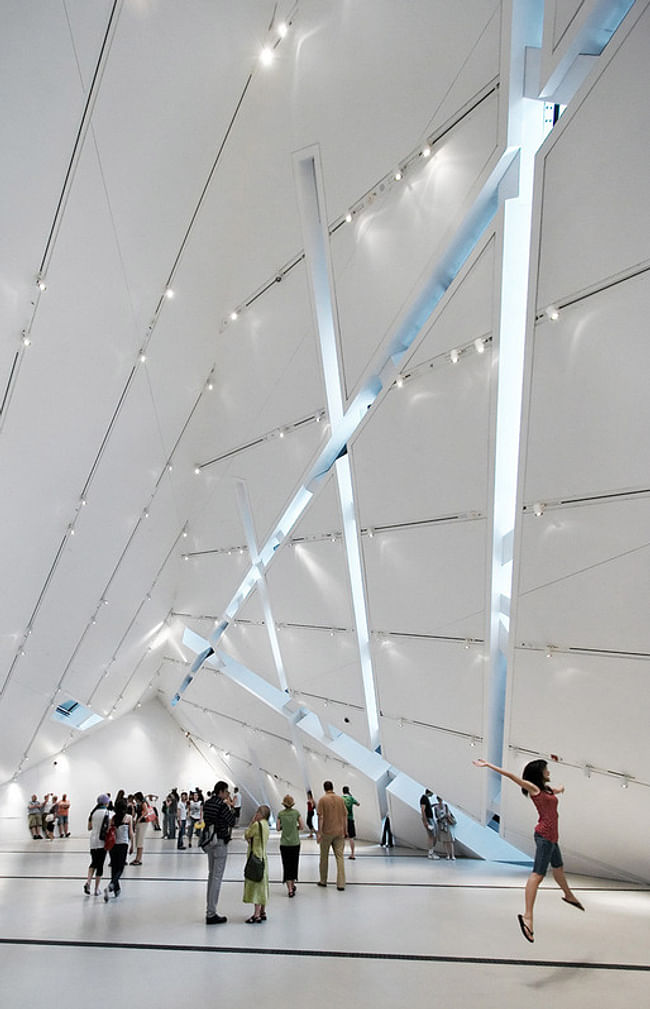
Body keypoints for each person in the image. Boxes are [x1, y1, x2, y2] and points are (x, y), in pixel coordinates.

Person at [473, 757, 585, 943]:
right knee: (537, 875)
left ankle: (568, 895)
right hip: (544, 837)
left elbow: (556, 790)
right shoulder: (535, 789)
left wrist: (562, 787)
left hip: (552, 838)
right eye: (546, 769)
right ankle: (528, 917)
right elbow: (511, 776)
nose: (548, 772)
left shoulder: (547, 790)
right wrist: (488, 765)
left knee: (558, 868)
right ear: (539, 773)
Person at [202, 781, 237, 924]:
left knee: (211, 875)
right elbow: (232, 821)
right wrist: (230, 807)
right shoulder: (222, 805)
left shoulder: (208, 803)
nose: (227, 794)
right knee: (217, 877)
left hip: (210, 841)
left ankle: (209, 909)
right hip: (220, 841)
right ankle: (211, 912)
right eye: (226, 792)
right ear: (221, 791)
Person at [316, 781, 347, 890]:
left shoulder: (322, 800)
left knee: (324, 857)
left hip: (327, 832)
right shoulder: (340, 799)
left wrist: (319, 833)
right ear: (332, 787)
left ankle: (323, 880)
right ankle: (341, 883)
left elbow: (321, 817)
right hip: (339, 832)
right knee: (340, 857)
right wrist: (345, 830)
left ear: (324, 788)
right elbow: (344, 816)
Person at [243, 805, 271, 922]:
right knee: (263, 884)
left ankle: (256, 914)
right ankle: (263, 911)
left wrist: (252, 822)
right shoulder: (266, 826)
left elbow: (247, 834)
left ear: (261, 813)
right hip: (263, 857)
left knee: (255, 885)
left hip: (255, 857)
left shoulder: (257, 825)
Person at [104, 797, 133, 900]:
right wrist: (132, 845)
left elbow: (109, 831)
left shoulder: (113, 819)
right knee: (120, 868)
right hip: (123, 845)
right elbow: (130, 833)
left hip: (113, 845)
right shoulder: (128, 818)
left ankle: (116, 889)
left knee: (114, 867)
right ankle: (112, 885)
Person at [277, 795, 305, 897]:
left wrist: (285, 827)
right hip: (295, 843)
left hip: (284, 843)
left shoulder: (280, 814)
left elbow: (278, 828)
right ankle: (293, 885)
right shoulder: (296, 813)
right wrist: (295, 828)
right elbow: (302, 826)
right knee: (294, 864)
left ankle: (289, 889)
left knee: (286, 865)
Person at [85, 794, 110, 896]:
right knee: (100, 866)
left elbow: (89, 827)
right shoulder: (106, 813)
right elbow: (107, 828)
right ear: (105, 803)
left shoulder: (93, 813)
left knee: (93, 863)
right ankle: (96, 889)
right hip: (101, 842)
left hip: (93, 841)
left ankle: (88, 881)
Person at [433, 795, 457, 860]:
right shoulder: (436, 807)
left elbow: (448, 814)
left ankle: (452, 855)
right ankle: (448, 855)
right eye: (439, 799)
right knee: (444, 841)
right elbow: (436, 816)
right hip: (441, 825)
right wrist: (442, 817)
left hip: (447, 824)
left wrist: (445, 816)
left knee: (450, 840)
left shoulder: (445, 806)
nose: (440, 800)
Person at [419, 788, 439, 859]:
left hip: (430, 819)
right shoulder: (423, 798)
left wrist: (433, 805)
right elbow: (423, 811)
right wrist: (426, 822)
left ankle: (431, 851)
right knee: (431, 836)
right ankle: (430, 853)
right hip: (428, 819)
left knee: (434, 836)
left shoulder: (426, 798)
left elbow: (426, 808)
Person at [342, 786, 360, 859]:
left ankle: (341, 854)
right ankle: (352, 854)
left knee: (342, 838)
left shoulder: (341, 798)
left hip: (343, 819)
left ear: (343, 791)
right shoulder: (351, 798)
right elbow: (358, 804)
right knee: (351, 838)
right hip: (350, 819)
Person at [130, 791, 148, 864]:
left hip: (143, 823)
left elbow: (146, 811)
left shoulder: (143, 803)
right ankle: (137, 858)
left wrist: (140, 818)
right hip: (139, 823)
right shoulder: (137, 804)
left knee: (140, 841)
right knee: (137, 841)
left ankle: (139, 859)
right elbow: (134, 814)